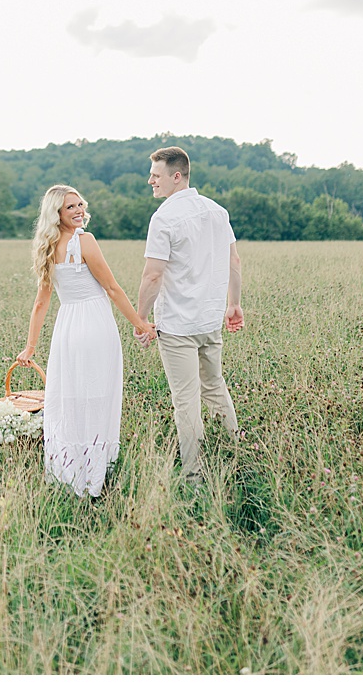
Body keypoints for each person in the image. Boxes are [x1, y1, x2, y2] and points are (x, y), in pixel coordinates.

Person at [20, 184, 155, 497]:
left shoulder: (47, 245)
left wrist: (31, 346)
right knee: (97, 395)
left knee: (69, 397)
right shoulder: (84, 241)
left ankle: (68, 473)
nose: (79, 210)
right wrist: (141, 324)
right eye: (70, 207)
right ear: (57, 213)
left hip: (67, 329)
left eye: (80, 204)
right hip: (94, 325)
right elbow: (112, 288)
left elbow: (41, 302)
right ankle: (94, 474)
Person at [138, 145, 244, 487]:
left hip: (179, 324)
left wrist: (141, 319)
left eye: (156, 176)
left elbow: (153, 275)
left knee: (185, 400)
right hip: (210, 320)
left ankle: (194, 475)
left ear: (176, 176)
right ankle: (235, 453)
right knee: (214, 386)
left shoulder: (164, 218)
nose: (151, 181)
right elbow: (234, 262)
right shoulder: (217, 211)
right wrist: (234, 304)